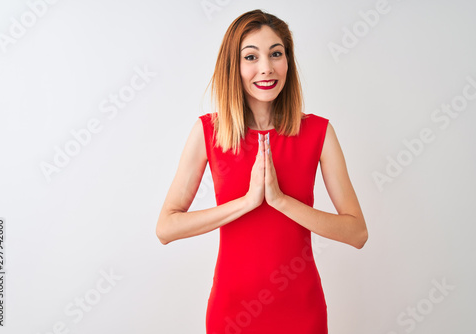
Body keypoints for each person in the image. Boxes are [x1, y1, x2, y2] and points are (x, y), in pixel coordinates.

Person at [156, 9, 368, 334]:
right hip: (232, 314)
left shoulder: (319, 133)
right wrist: (245, 203)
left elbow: (357, 233)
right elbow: (166, 228)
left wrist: (281, 201)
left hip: (301, 312)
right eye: (251, 56)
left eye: (276, 54)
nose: (266, 68)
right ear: (234, 66)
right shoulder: (208, 132)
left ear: (288, 61)